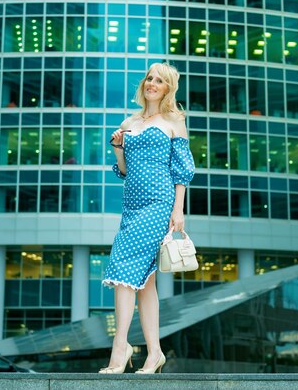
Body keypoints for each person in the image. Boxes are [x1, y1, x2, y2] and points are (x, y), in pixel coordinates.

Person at [99, 62, 195, 374]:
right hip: (132, 204)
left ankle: (121, 346)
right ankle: (154, 354)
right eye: (149, 78)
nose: (152, 83)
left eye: (159, 80)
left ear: (168, 88)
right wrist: (117, 149)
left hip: (159, 203)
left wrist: (178, 210)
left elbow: (182, 170)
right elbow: (125, 171)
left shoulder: (174, 120)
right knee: (145, 281)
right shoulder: (130, 121)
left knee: (122, 267)